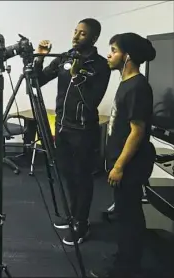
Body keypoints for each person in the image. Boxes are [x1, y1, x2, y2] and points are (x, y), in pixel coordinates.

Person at [34, 18, 111, 245]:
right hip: (63, 127)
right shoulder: (65, 57)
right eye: (75, 32)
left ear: (94, 38)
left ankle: (82, 223)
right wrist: (39, 57)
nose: (76, 36)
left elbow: (91, 101)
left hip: (83, 131)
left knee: (82, 178)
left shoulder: (100, 66)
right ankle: (73, 215)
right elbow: (38, 80)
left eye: (83, 34)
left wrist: (77, 75)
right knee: (67, 175)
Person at [90, 33, 156, 278]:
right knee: (124, 214)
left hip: (131, 165)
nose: (109, 54)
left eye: (114, 50)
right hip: (123, 163)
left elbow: (137, 133)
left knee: (129, 218)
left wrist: (118, 166)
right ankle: (125, 258)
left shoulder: (138, 87)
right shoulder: (126, 82)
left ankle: (127, 269)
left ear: (127, 56)